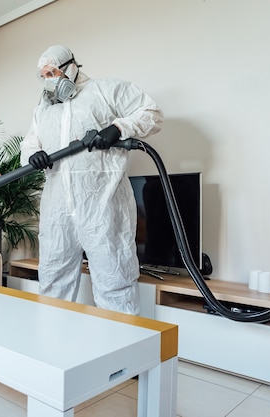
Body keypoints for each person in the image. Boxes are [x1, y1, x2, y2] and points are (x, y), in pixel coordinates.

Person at [20, 45, 163, 315]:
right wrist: (32, 155)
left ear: (71, 66)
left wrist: (118, 127)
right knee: (53, 282)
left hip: (103, 205)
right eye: (44, 75)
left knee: (114, 281)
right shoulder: (44, 110)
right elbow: (29, 144)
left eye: (53, 72)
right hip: (57, 210)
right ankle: (53, 351)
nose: (49, 79)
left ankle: (123, 352)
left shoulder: (106, 90)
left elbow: (152, 113)